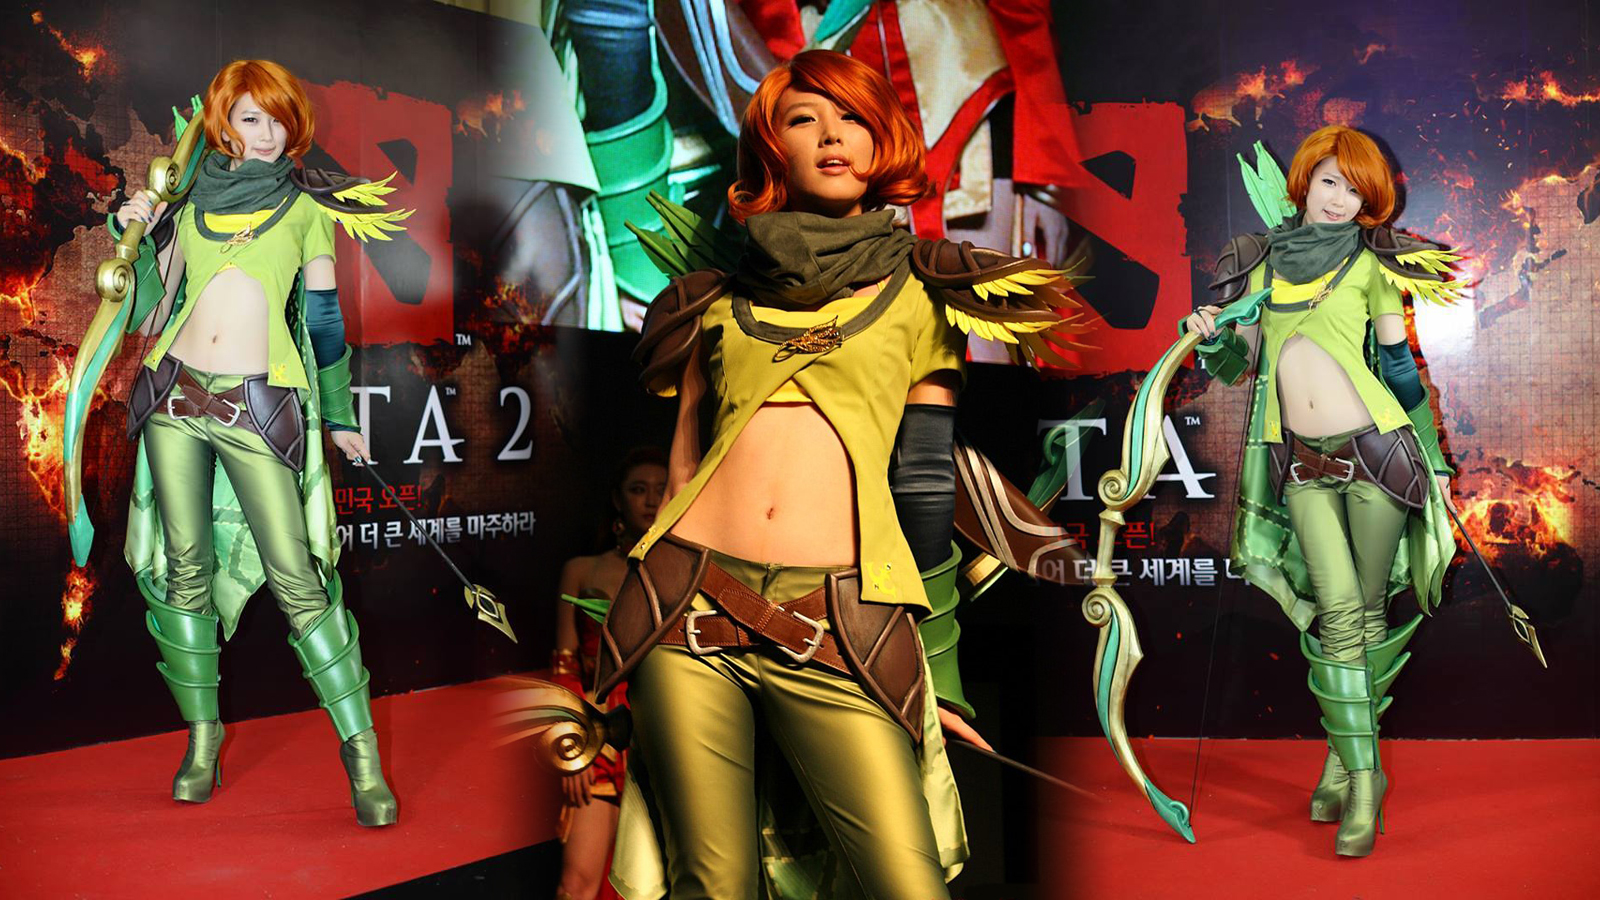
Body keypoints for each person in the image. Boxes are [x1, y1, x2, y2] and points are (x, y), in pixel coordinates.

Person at [586, 49, 1084, 898]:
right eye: (803, 119)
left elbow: (924, 480)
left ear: (881, 139)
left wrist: (943, 676)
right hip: (691, 608)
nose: (831, 136)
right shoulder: (714, 302)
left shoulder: (925, 292)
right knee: (712, 885)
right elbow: (681, 471)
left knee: (906, 883)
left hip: (837, 622)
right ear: (770, 148)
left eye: (852, 117)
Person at [108, 59, 409, 826]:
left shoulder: (306, 209)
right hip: (174, 396)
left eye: (278, 119)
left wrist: (338, 415)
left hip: (257, 406)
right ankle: (202, 741)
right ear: (223, 125)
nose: (268, 133)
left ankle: (362, 755)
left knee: (299, 578)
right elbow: (143, 301)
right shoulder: (186, 202)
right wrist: (134, 228)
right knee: (185, 570)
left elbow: (327, 322)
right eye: (251, 118)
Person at [1186, 125, 1458, 857]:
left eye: (1357, 191)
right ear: (1305, 180)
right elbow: (1240, 365)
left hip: (1379, 451)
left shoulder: (1374, 265)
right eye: (1331, 182)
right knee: (1337, 613)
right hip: (1302, 462)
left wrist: (1432, 456)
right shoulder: (1260, 260)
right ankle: (1368, 784)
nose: (1340, 200)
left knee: (1362, 615)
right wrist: (1213, 335)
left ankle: (1344, 766)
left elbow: (1399, 371)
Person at [551, 448, 668, 900]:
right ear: (618, 500)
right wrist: (572, 747)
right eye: (639, 489)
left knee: (646, 886)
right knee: (577, 883)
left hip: (662, 735)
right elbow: (564, 667)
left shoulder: (687, 574)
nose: (651, 500)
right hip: (597, 731)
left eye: (661, 489)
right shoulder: (582, 570)